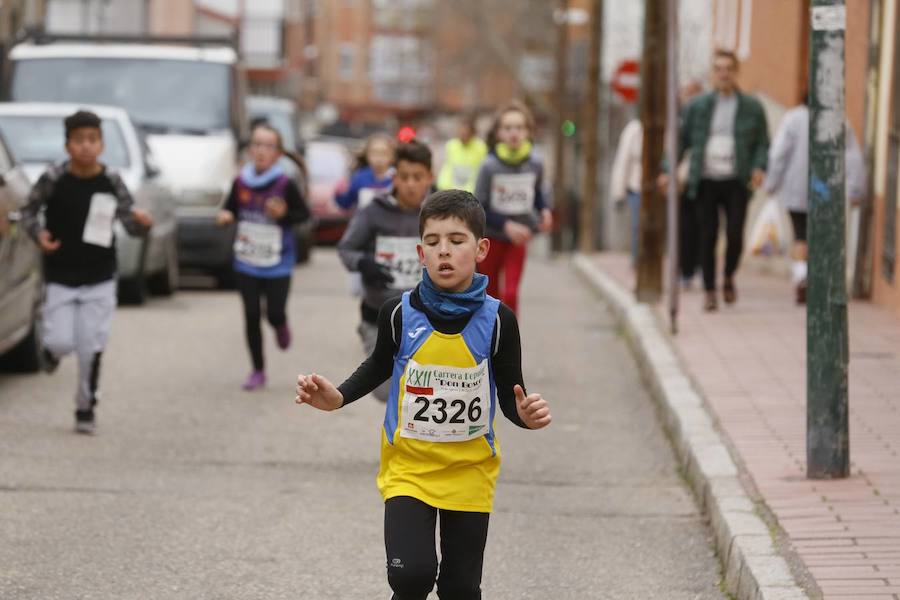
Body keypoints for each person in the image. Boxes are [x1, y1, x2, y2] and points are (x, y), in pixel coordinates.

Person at [295, 189, 552, 600]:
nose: (443, 251)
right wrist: (338, 397)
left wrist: (525, 414)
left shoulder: (499, 320)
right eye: (433, 242)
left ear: (482, 248)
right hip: (409, 470)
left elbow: (510, 394)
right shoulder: (398, 314)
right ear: (420, 252)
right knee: (411, 577)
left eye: (456, 240)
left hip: (469, 472)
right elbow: (379, 365)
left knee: (460, 588)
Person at [21, 109, 153, 434]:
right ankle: (51, 353)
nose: (85, 147)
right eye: (79, 140)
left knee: (90, 347)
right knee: (60, 342)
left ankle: (85, 408)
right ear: (67, 146)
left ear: (102, 144)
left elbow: (130, 223)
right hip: (61, 277)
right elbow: (27, 212)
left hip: (100, 277)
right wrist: (39, 235)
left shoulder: (111, 181)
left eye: (92, 140)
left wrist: (142, 223)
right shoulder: (53, 178)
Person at [337, 140, 434, 402]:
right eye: (404, 177)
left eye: (418, 177)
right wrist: (364, 263)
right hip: (378, 315)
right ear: (394, 177)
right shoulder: (373, 211)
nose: (411, 184)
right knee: (384, 391)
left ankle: (406, 440)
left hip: (426, 318)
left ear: (430, 178)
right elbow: (346, 249)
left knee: (419, 391)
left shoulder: (438, 215)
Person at [216, 123, 310, 390]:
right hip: (246, 260)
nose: (260, 151)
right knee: (251, 314)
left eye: (268, 146)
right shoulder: (240, 181)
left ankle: (280, 324)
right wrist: (225, 217)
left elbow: (304, 216)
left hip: (278, 263)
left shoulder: (284, 184)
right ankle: (257, 370)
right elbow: (229, 209)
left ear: (278, 154)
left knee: (274, 313)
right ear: (249, 150)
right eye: (256, 144)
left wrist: (284, 215)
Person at [676, 49, 769, 311]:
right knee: (707, 235)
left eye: (728, 68)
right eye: (718, 68)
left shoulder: (752, 107)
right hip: (705, 179)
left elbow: (763, 143)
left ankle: (728, 275)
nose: (723, 73)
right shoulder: (697, 106)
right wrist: (667, 170)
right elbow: (681, 142)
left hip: (736, 179)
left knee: (735, 233)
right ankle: (709, 290)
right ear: (712, 73)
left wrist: (759, 167)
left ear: (736, 72)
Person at [764, 96, 866, 304]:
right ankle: (820, 282)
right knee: (823, 237)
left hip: (797, 189)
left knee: (800, 235)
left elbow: (779, 154)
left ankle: (802, 277)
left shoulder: (793, 119)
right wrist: (855, 189)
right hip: (828, 192)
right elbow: (853, 156)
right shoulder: (838, 121)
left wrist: (771, 183)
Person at [474, 100, 553, 315]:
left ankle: (509, 343)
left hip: (519, 239)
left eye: (519, 127)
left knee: (510, 294)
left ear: (528, 131)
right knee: (490, 296)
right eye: (508, 128)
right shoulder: (489, 165)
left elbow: (536, 194)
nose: (514, 133)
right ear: (498, 133)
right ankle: (488, 342)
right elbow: (478, 205)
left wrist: (544, 210)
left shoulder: (535, 163)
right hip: (491, 237)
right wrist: (506, 224)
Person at [335, 133, 396, 211]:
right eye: (374, 153)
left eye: (383, 153)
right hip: (364, 222)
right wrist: (339, 193)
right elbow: (346, 203)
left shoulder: (397, 178)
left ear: (392, 156)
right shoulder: (360, 177)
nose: (379, 158)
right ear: (367, 155)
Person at [437, 114, 488, 193]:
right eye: (460, 131)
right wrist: (444, 186)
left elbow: (480, 171)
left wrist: (469, 190)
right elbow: (448, 168)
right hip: (452, 189)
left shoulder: (480, 147)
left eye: (465, 131)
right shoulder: (451, 145)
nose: (463, 134)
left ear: (472, 132)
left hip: (472, 191)